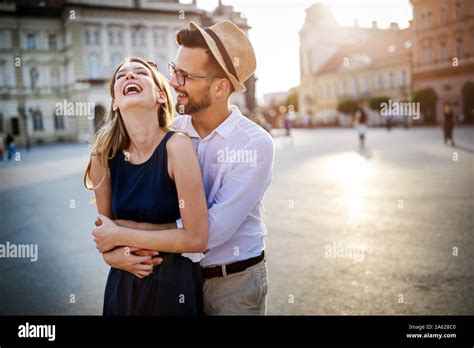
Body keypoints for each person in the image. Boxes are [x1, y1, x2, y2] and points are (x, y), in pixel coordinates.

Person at [98, 20, 275, 315]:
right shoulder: (170, 130)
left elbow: (208, 233)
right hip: (175, 277)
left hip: (232, 283)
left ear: (220, 87)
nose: (174, 82)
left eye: (185, 76)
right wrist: (113, 255)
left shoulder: (254, 145)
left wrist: (124, 233)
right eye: (173, 70)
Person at [84, 56, 208, 315]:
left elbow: (197, 238)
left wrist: (121, 234)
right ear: (115, 103)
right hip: (124, 281)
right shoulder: (102, 156)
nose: (129, 76)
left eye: (140, 73)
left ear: (161, 96)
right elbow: (105, 235)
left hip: (173, 286)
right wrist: (110, 256)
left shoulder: (177, 146)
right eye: (121, 76)